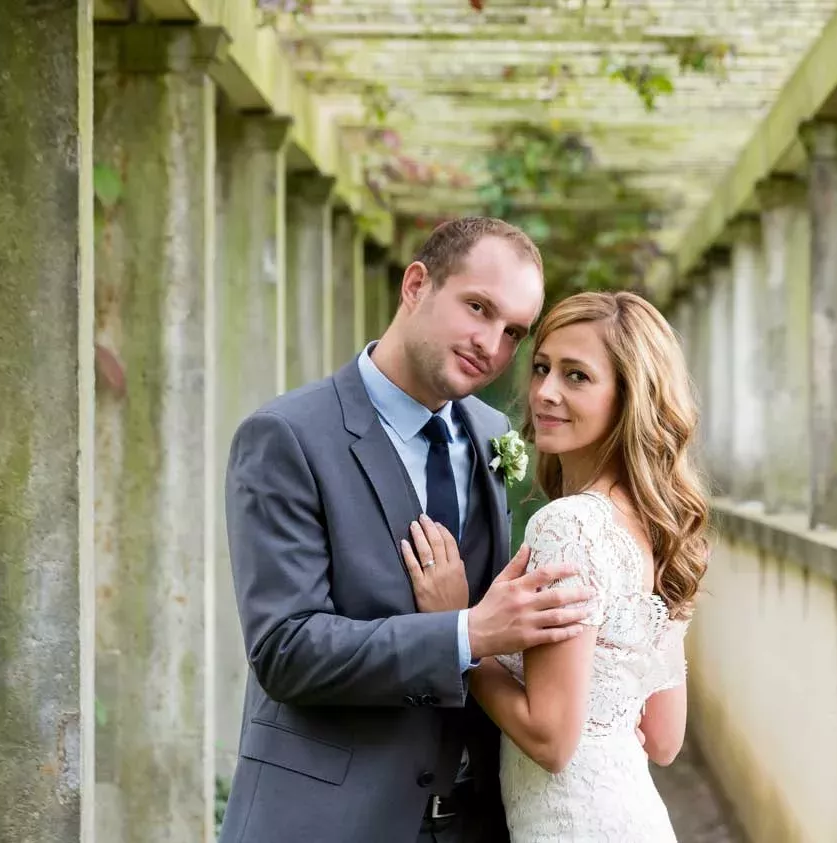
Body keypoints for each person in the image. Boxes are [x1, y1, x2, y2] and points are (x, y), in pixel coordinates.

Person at [218, 217, 599, 843]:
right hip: (327, 823)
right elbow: (285, 650)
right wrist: (466, 631)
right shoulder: (287, 436)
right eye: (478, 308)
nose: (491, 346)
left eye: (512, 333)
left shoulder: (486, 432)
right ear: (416, 285)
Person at [401, 290, 710, 842]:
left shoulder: (570, 526)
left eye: (577, 377)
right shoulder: (659, 531)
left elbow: (550, 740)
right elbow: (664, 738)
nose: (545, 392)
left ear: (629, 397)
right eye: (542, 367)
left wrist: (461, 628)